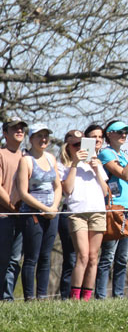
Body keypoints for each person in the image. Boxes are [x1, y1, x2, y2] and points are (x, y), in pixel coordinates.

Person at [59, 129, 108, 301]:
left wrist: (96, 169)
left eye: (83, 144)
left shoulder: (96, 164)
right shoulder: (63, 166)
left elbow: (104, 191)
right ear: (69, 147)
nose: (80, 148)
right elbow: (67, 190)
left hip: (98, 211)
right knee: (83, 255)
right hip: (77, 213)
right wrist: (74, 164)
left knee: (94, 257)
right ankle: (74, 297)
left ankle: (86, 298)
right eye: (76, 145)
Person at [96, 120, 128, 299]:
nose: (124, 134)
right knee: (108, 256)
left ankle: (119, 295)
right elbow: (125, 174)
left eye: (126, 131)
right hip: (114, 209)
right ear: (109, 134)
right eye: (120, 131)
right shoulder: (106, 153)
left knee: (122, 258)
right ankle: (100, 296)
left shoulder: (123, 153)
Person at [16, 123, 61, 300]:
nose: (43, 139)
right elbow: (23, 193)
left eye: (46, 136)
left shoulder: (51, 158)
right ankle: (29, 298)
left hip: (52, 214)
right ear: (31, 139)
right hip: (32, 214)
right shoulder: (26, 160)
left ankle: (42, 297)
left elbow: (57, 186)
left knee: (45, 257)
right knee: (31, 257)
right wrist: (44, 209)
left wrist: (54, 208)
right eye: (39, 136)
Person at [0, 117, 27, 301]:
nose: (19, 131)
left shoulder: (27, 156)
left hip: (23, 215)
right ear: (5, 133)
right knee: (2, 258)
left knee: (15, 259)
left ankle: (7, 298)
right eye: (14, 128)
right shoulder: (1, 154)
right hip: (4, 215)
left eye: (21, 128)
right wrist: (11, 206)